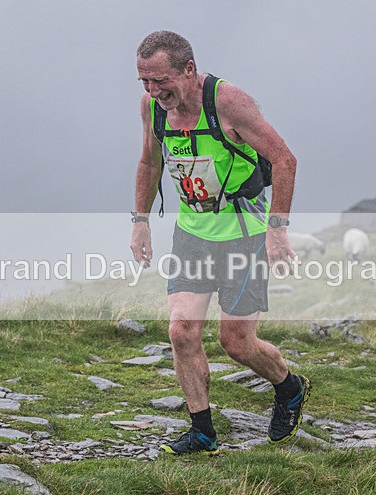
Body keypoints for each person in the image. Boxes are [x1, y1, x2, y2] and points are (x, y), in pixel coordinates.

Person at [130, 30, 310, 455]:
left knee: (237, 343)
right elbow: (149, 160)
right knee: (182, 330)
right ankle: (202, 430)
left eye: (161, 81)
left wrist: (277, 228)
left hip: (243, 236)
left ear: (188, 70)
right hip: (193, 234)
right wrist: (140, 222)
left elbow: (285, 159)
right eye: (145, 83)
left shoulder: (228, 102)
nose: (154, 92)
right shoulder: (152, 107)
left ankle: (290, 386)